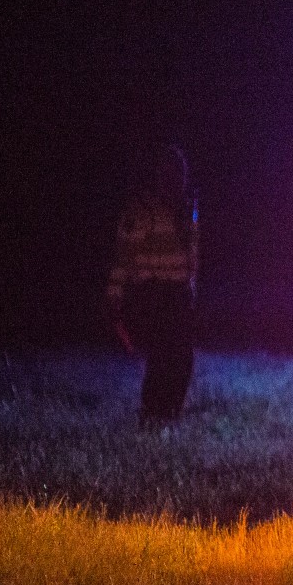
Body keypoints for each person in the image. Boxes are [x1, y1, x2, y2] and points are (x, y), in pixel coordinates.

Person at [107, 144, 199, 422]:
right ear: (158, 174)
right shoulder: (142, 210)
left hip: (179, 292)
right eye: (170, 171)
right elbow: (123, 255)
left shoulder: (188, 208)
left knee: (183, 358)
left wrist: (191, 284)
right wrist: (115, 295)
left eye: (180, 171)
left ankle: (171, 415)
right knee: (162, 357)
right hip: (152, 291)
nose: (175, 177)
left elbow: (193, 250)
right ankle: (151, 416)